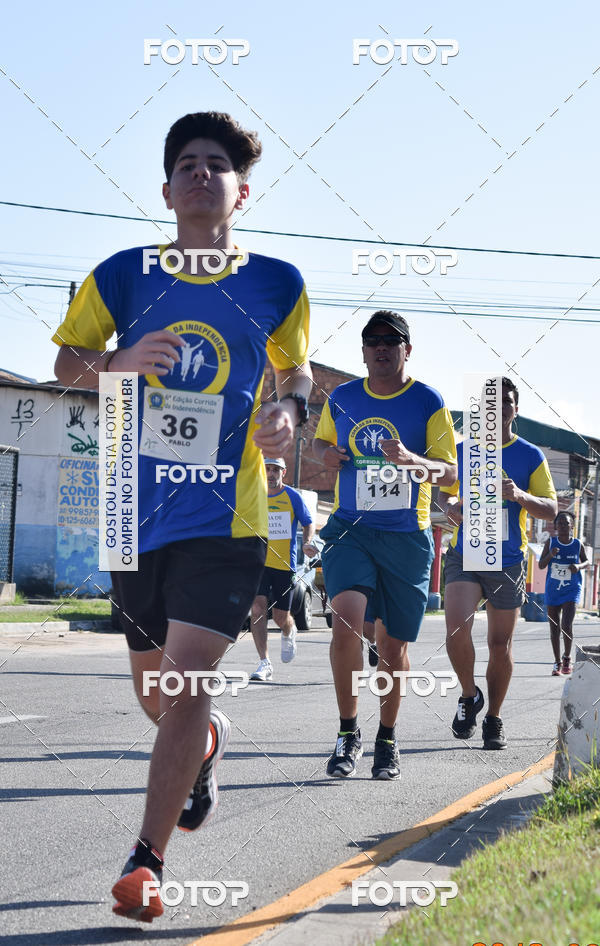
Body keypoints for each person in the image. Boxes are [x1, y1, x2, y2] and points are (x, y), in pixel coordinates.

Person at [52, 111, 312, 922]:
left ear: (243, 191)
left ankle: (144, 862)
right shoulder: (122, 275)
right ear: (166, 190)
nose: (202, 174)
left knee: (190, 675)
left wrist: (291, 415)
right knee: (159, 696)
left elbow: (297, 374)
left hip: (227, 516)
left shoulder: (277, 283)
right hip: (135, 512)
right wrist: (116, 363)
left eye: (217, 165)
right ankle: (201, 745)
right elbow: (64, 364)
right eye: (187, 164)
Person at [313, 311, 457, 780]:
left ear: (406, 350)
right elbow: (319, 445)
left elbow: (451, 474)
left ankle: (387, 738)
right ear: (362, 351)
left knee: (392, 648)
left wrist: (415, 461)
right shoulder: (343, 396)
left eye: (390, 342)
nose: (380, 348)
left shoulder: (427, 401)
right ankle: (347, 731)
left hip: (405, 538)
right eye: (372, 341)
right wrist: (328, 455)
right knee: (346, 621)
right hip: (350, 529)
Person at [438, 378, 557, 750]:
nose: (498, 407)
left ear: (515, 409)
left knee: (499, 643)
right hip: (465, 553)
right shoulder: (461, 451)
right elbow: (441, 498)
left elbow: (551, 509)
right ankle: (470, 695)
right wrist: (452, 508)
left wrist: (520, 495)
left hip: (506, 559)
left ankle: (493, 718)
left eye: (506, 401)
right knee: (457, 630)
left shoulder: (529, 455)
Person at [250, 457, 317, 680]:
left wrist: (308, 542)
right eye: (267, 469)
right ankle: (264, 663)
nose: (271, 473)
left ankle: (289, 630)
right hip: (258, 563)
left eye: (275, 470)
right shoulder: (254, 494)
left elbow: (308, 522)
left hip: (283, 565)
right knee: (258, 609)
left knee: (281, 617)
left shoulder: (292, 497)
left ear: (283, 472)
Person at [539, 510, 588, 675]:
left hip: (571, 589)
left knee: (566, 624)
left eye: (566, 523)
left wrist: (578, 567)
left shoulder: (577, 544)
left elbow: (586, 561)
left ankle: (567, 657)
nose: (563, 526)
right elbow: (541, 565)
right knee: (554, 628)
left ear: (572, 526)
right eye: (559, 523)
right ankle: (557, 662)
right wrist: (551, 555)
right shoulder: (551, 543)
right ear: (555, 527)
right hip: (553, 590)